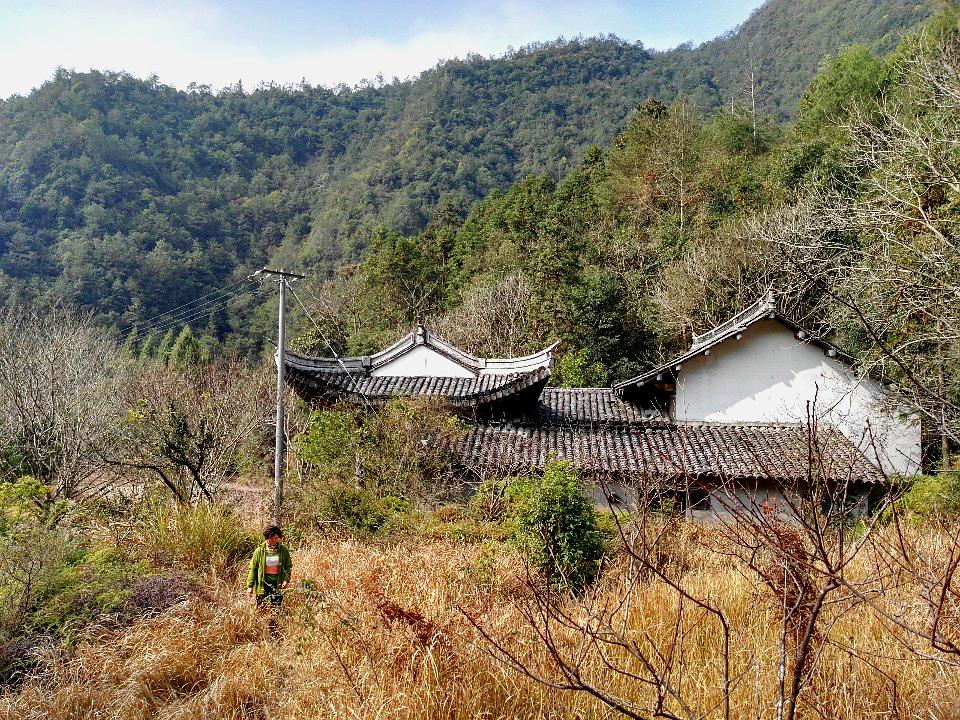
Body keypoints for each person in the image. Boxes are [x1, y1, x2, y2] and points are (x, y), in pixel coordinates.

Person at [246, 524, 292, 609]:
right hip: (263, 584)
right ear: (267, 537)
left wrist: (286, 580)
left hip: (278, 584)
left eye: (276, 538)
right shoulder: (259, 551)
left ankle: (274, 622)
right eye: (271, 538)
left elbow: (288, 566)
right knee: (261, 608)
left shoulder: (283, 550)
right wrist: (250, 586)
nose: (273, 540)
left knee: (276, 608)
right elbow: (253, 569)